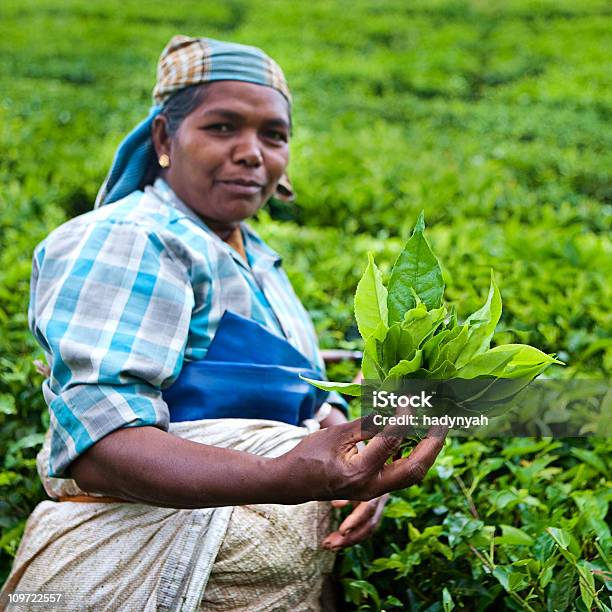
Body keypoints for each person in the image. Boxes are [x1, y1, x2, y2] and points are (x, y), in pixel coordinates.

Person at [0, 36, 445, 611]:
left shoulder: (254, 254)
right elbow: (99, 445)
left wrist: (364, 467)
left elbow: (295, 405)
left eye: (273, 135)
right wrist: (288, 477)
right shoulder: (130, 237)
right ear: (164, 137)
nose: (252, 153)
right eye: (222, 127)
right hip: (141, 574)